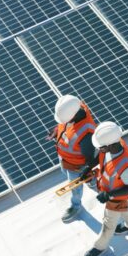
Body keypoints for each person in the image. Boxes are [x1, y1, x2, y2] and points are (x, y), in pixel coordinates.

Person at [84, 122, 128, 256]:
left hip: (115, 196)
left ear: (109, 146)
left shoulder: (126, 166)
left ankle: (99, 246)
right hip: (113, 192)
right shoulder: (113, 144)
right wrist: (89, 167)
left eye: (101, 148)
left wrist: (109, 194)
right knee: (124, 206)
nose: (99, 150)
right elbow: (101, 157)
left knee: (109, 224)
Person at [52, 95, 97, 223]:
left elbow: (92, 158)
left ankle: (76, 206)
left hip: (77, 168)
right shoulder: (72, 109)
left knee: (76, 188)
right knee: (68, 177)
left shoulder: (86, 133)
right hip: (65, 161)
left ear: (73, 115)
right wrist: (56, 131)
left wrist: (85, 172)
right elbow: (65, 126)